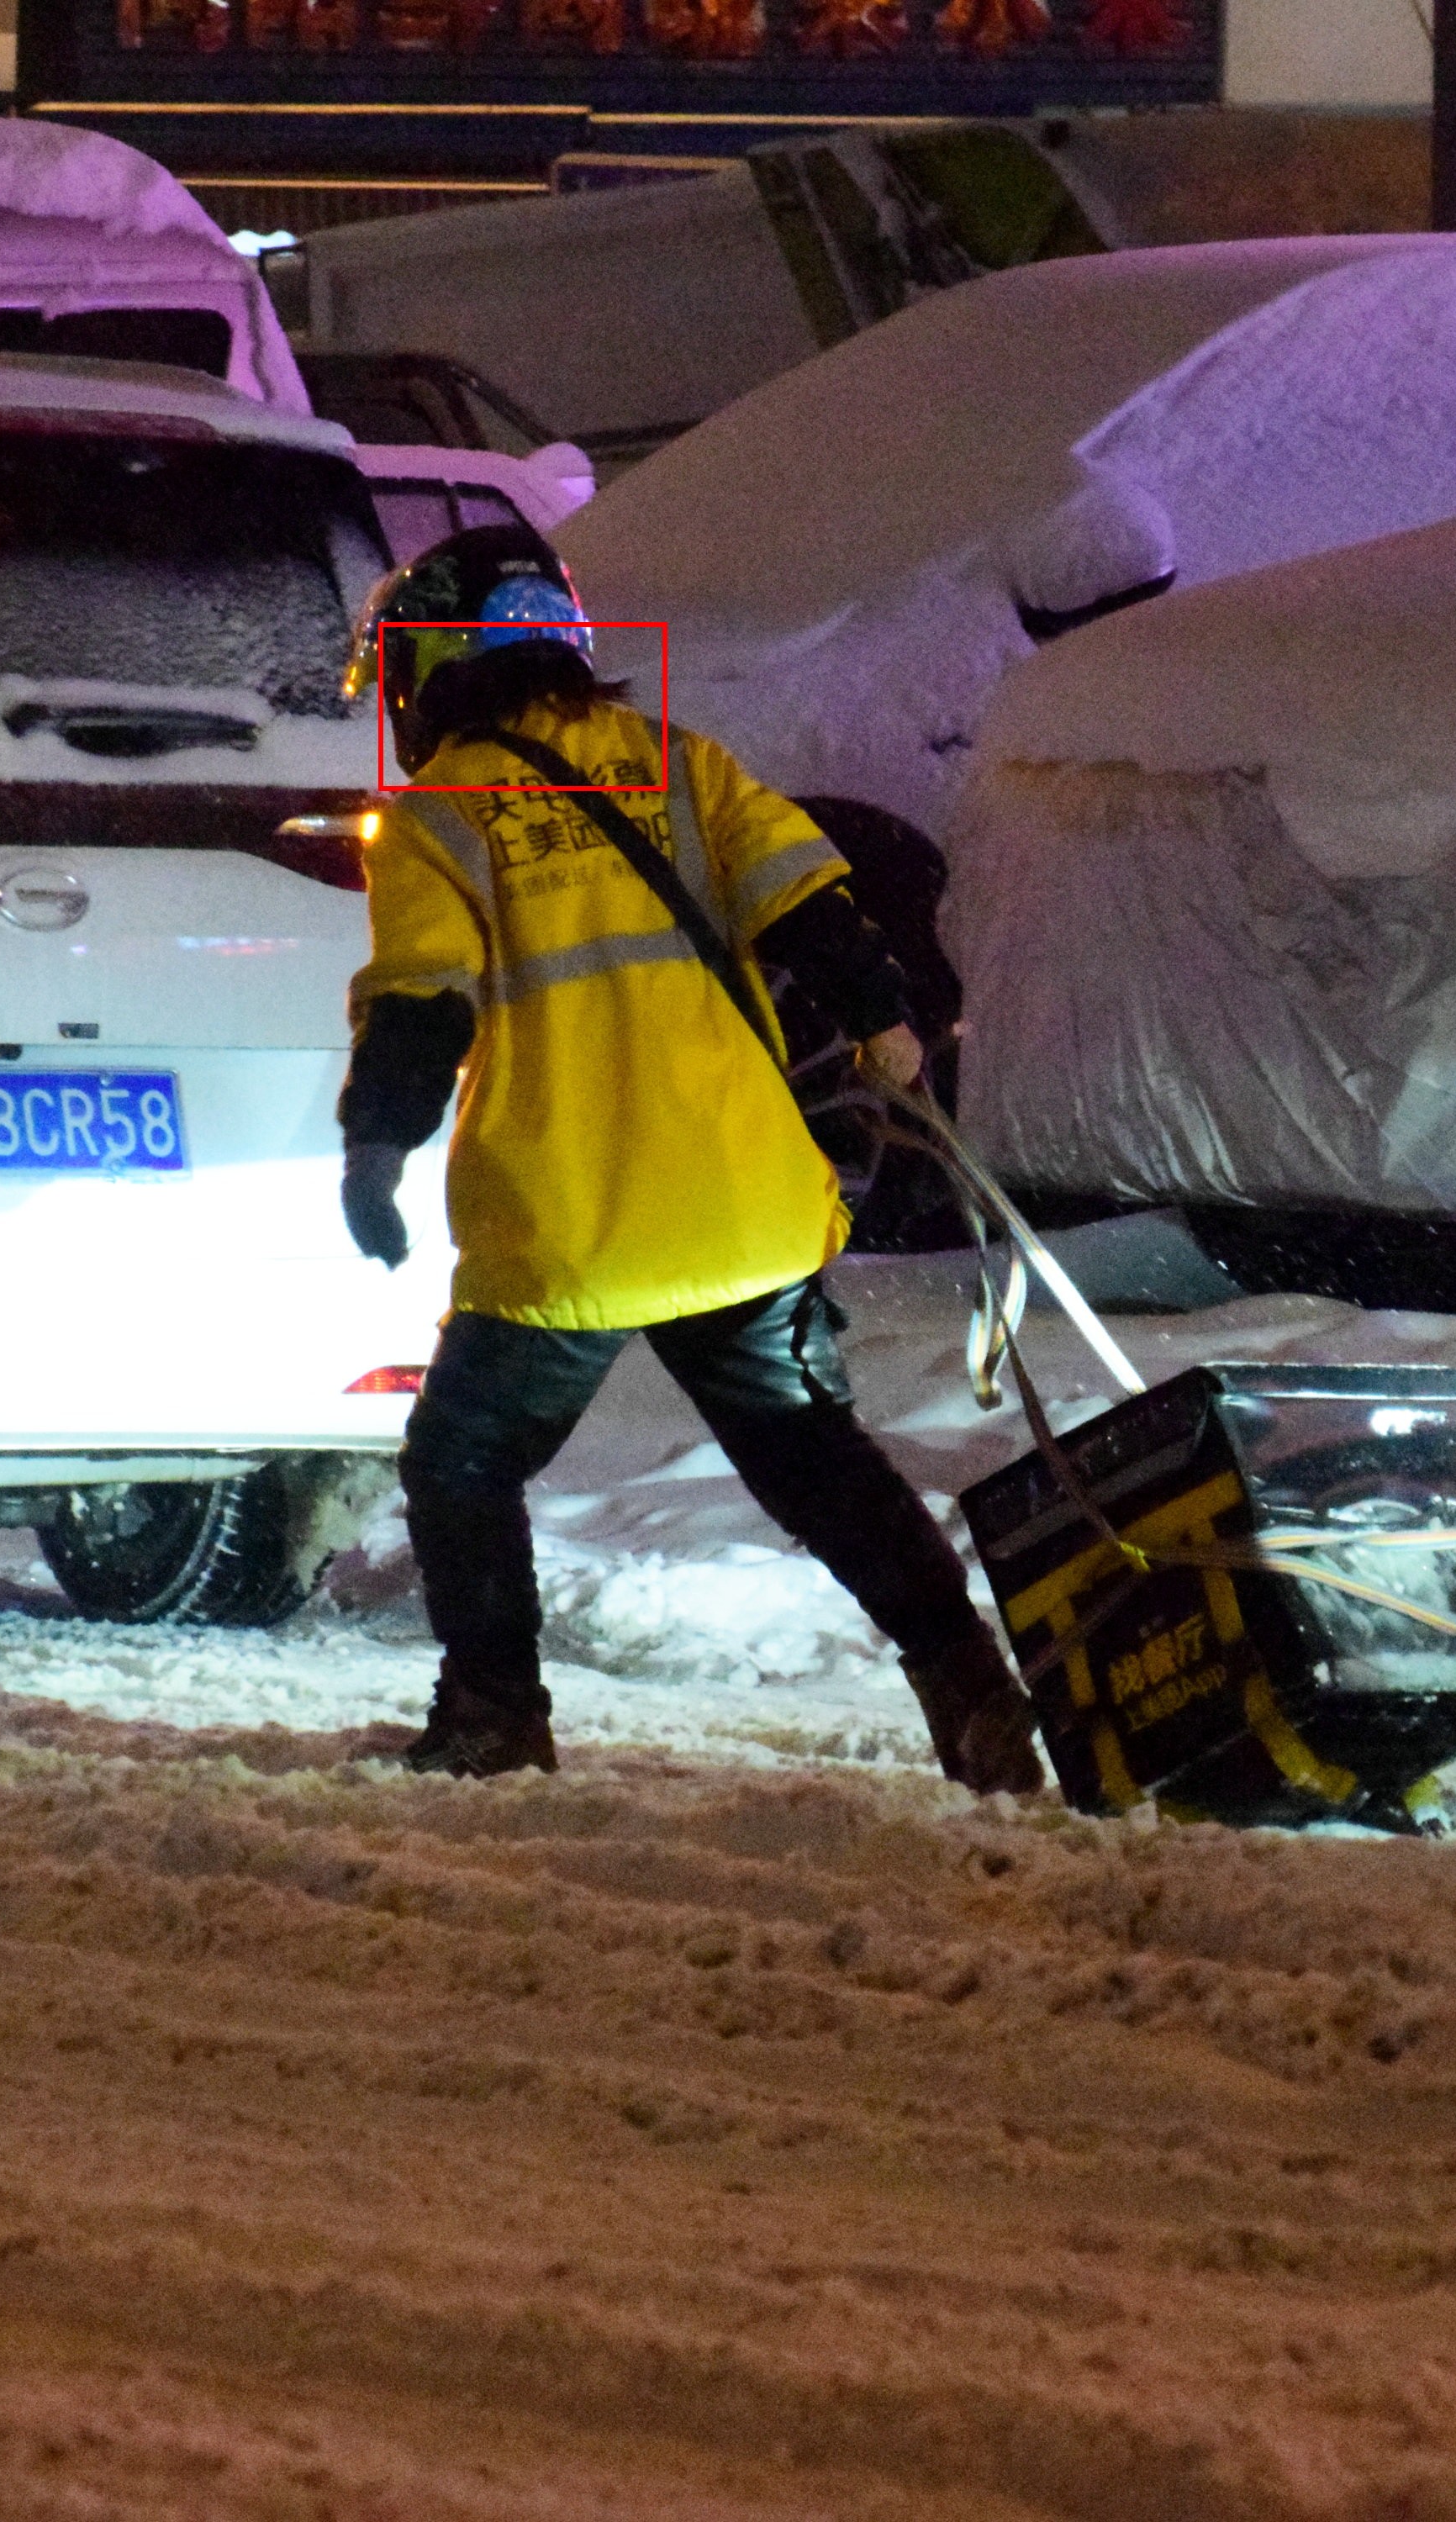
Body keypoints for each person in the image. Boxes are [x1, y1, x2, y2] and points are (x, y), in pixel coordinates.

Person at [333, 524, 1045, 1795]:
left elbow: (421, 1006)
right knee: (814, 1461)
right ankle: (972, 1688)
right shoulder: (680, 766)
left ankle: (495, 1713)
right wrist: (888, 1021)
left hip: (579, 1223)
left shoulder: (437, 816)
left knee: (462, 1460)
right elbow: (817, 910)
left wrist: (375, 1148)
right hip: (741, 1206)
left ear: (431, 663)